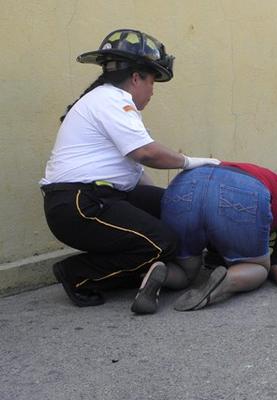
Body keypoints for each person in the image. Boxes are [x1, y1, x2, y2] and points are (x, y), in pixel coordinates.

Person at [40, 29, 219, 311]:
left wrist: (176, 201)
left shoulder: (109, 104)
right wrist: (191, 162)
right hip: (79, 205)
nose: (152, 91)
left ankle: (171, 263)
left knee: (173, 207)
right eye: (152, 82)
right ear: (136, 77)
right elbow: (145, 152)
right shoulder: (112, 100)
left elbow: (135, 174)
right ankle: (79, 274)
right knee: (162, 242)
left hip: (95, 198)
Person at [133, 162, 277, 313]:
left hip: (184, 184)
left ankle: (161, 272)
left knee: (186, 270)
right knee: (257, 267)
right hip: (241, 193)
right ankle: (226, 281)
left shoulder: (244, 167)